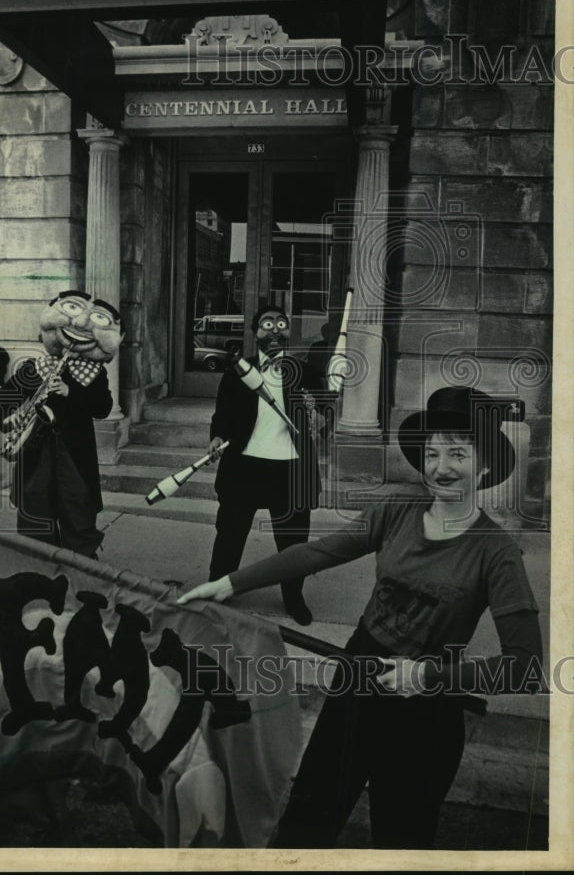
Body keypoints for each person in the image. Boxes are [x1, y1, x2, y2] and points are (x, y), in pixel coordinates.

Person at [178, 386, 543, 848]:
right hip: (358, 677)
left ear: (485, 465)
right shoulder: (396, 510)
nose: (441, 467)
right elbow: (319, 552)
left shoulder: (497, 553)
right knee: (309, 817)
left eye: (458, 454)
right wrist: (230, 583)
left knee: (402, 835)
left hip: (425, 706)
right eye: (432, 453)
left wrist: (430, 675)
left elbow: (525, 668)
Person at [206, 304, 326, 626]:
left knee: (293, 544)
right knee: (229, 536)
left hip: (290, 469)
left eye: (281, 324)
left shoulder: (306, 372)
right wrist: (217, 437)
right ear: (255, 333)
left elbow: (323, 414)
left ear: (288, 332)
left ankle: (293, 597)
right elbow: (223, 416)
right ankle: (218, 589)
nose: (274, 330)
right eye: (266, 325)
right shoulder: (237, 373)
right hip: (244, 466)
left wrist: (319, 418)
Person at [0, 290, 124, 559]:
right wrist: (12, 415)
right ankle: (40, 583)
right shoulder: (35, 367)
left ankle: (85, 589)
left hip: (74, 460)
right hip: (34, 460)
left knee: (79, 526)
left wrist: (70, 391)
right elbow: (2, 399)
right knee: (34, 526)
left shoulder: (93, 374)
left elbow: (103, 407)